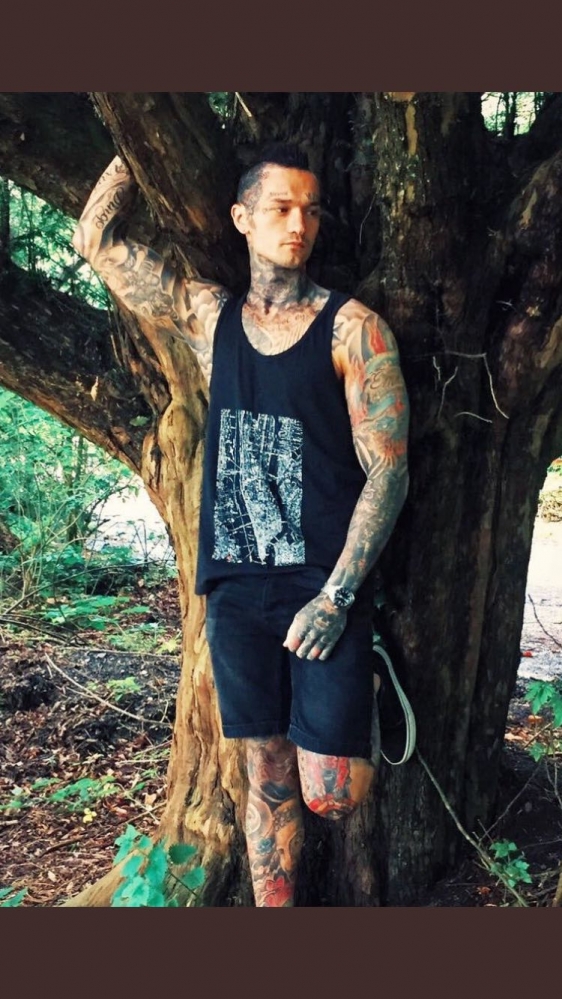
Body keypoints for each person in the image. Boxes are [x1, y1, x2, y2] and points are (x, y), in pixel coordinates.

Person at [72, 142, 409, 907]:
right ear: (242, 218)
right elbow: (95, 238)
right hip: (237, 583)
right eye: (281, 208)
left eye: (310, 210)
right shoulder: (210, 317)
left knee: (333, 792)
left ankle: (366, 675)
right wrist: (136, 136)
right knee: (265, 765)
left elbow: (389, 469)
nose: (298, 224)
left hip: (322, 585)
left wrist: (338, 596)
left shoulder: (352, 330)